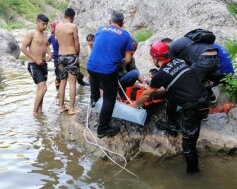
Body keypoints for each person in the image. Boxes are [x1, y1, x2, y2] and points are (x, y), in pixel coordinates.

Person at [131, 41, 209, 174]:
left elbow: (146, 94)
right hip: (204, 98)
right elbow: (173, 87)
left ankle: (193, 174)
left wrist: (135, 105)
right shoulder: (179, 62)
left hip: (194, 107)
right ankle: (172, 126)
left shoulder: (160, 75)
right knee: (170, 96)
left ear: (155, 58)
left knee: (188, 145)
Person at [87, 10, 133, 138]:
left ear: (109, 22)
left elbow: (100, 47)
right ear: (122, 23)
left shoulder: (100, 29)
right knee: (109, 98)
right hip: (107, 70)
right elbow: (128, 59)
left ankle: (94, 101)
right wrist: (120, 64)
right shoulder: (126, 35)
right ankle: (102, 129)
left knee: (95, 83)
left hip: (91, 66)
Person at [169, 29, 219, 103]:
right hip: (216, 59)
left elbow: (171, 65)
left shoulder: (171, 48)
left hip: (202, 60)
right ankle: (213, 100)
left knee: (190, 83)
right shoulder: (190, 41)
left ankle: (200, 106)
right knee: (203, 80)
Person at [21, 14, 52, 116]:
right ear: (37, 22)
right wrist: (35, 59)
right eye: (43, 24)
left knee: (40, 89)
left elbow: (46, 45)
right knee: (43, 88)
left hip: (43, 64)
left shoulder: (45, 34)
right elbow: (23, 48)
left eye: (46, 24)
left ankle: (40, 111)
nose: (45, 26)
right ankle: (34, 113)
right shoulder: (31, 34)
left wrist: (50, 54)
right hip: (33, 64)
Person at [55, 8, 81, 115]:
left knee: (62, 82)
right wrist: (77, 54)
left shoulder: (57, 26)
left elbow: (57, 40)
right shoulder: (73, 26)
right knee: (72, 83)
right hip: (71, 56)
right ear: (72, 17)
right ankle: (71, 109)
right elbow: (77, 44)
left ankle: (61, 107)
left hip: (60, 57)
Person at [48, 21, 61, 89]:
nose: (50, 28)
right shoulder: (51, 37)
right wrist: (50, 53)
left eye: (51, 27)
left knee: (60, 74)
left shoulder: (61, 35)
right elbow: (46, 44)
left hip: (61, 57)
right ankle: (58, 89)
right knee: (58, 74)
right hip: (56, 57)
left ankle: (59, 89)